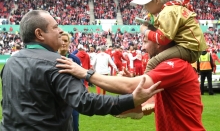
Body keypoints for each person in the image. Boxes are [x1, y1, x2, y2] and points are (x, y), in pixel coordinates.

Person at [0, 10, 163, 131]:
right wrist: (130, 100)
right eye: (56, 27)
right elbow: (85, 102)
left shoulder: (11, 62)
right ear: (39, 34)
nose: (61, 31)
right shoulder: (59, 63)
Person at [57, 24, 206, 131]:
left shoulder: (175, 65)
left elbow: (130, 86)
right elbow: (147, 104)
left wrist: (85, 73)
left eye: (146, 42)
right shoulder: (171, 65)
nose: (143, 47)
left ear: (160, 42)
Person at [131, 0, 207, 73]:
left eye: (146, 4)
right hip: (190, 47)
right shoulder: (172, 8)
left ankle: (144, 85)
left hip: (188, 48)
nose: (144, 7)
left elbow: (163, 39)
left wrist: (145, 31)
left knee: (152, 62)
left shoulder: (167, 12)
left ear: (157, 0)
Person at [58, 32, 81, 131]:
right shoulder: (50, 58)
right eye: (61, 40)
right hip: (56, 100)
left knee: (74, 126)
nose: (63, 43)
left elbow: (80, 78)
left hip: (72, 100)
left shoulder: (75, 59)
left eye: (66, 41)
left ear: (69, 43)